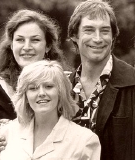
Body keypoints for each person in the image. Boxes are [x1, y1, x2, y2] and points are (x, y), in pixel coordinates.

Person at [0, 9, 65, 160]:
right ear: (11, 45)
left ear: (48, 46)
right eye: (20, 40)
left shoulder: (64, 82)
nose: (26, 47)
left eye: (35, 40)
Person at [0, 60, 100, 160]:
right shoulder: (7, 133)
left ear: (61, 93)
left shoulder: (85, 140)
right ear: (26, 96)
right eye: (33, 88)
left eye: (48, 86)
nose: (41, 93)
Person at [67, 0, 135, 160]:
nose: (97, 39)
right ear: (74, 36)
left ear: (113, 36)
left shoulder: (132, 84)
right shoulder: (62, 88)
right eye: (89, 30)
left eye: (104, 31)